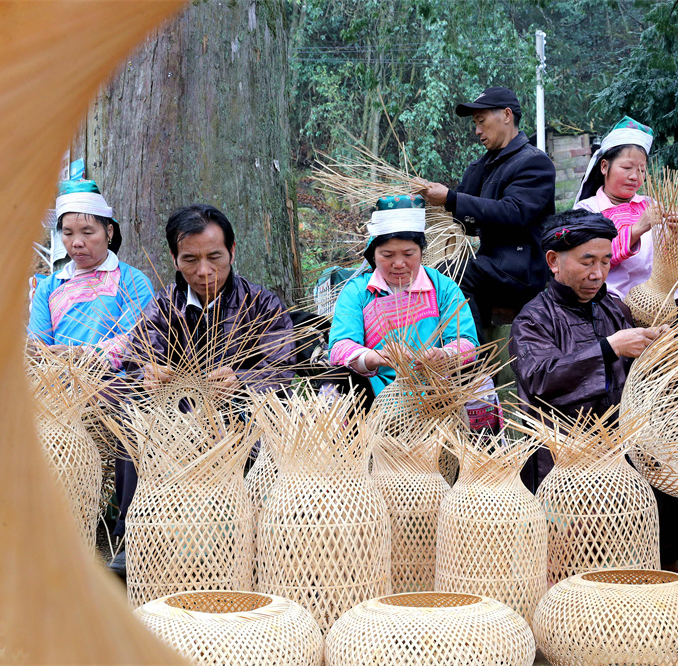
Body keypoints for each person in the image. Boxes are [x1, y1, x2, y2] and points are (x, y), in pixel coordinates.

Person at [510, 208, 678, 572]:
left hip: (626, 452)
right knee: (579, 552)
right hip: (564, 464)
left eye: (607, 261)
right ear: (553, 261)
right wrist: (609, 347)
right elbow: (538, 379)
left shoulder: (613, 308)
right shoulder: (533, 319)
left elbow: (640, 375)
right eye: (587, 261)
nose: (598, 274)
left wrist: (661, 350)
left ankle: (654, 566)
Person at [108, 203, 296, 575]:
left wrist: (241, 381)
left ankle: (255, 541)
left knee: (262, 429)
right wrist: (148, 371)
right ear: (175, 259)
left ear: (233, 251)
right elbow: (138, 356)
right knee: (133, 422)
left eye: (214, 257)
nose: (204, 270)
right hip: (176, 413)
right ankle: (135, 537)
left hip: (241, 412)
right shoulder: (165, 306)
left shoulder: (261, 304)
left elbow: (281, 367)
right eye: (190, 259)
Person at [414, 86, 556, 339]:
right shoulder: (481, 166)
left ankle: (469, 363)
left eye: (481, 121)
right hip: (490, 264)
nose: (477, 130)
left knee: (453, 273)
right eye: (475, 124)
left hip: (519, 269)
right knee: (427, 273)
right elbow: (466, 222)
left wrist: (451, 198)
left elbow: (515, 213)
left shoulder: (534, 162)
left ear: (506, 115)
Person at [328, 194, 481, 399]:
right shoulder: (357, 292)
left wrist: (445, 355)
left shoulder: (443, 288)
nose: (399, 264)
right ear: (374, 254)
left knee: (475, 377)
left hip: (434, 390)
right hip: (375, 392)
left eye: (408, 254)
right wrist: (374, 357)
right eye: (387, 255)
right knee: (336, 376)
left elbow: (468, 343)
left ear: (421, 252)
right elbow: (339, 347)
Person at [28, 180, 153, 366]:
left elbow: (134, 341)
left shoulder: (134, 282)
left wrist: (81, 355)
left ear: (109, 232)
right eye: (68, 233)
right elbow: (39, 347)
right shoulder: (48, 287)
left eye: (87, 232)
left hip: (115, 390)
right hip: (56, 390)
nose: (77, 242)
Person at [573, 116, 678, 299]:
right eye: (627, 168)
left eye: (641, 170)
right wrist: (636, 230)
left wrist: (677, 237)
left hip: (659, 298)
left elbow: (672, 265)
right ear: (604, 166)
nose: (635, 176)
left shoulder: (652, 206)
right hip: (611, 297)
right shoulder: (588, 210)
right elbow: (587, 263)